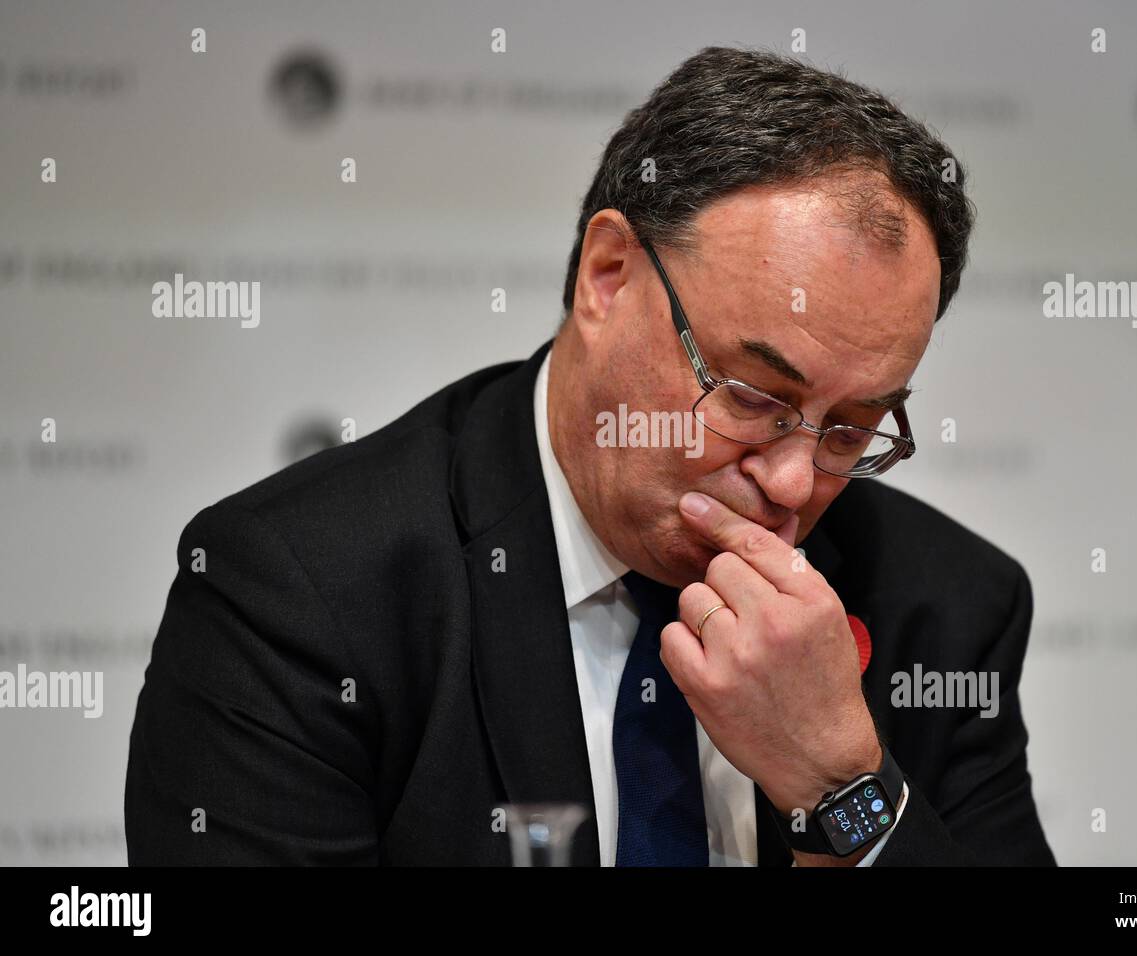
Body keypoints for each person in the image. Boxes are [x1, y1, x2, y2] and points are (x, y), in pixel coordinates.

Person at [125, 45, 1055, 866]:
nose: (791, 482)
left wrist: (844, 789)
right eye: (751, 397)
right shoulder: (303, 595)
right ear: (607, 277)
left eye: (852, 427)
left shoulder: (946, 606)